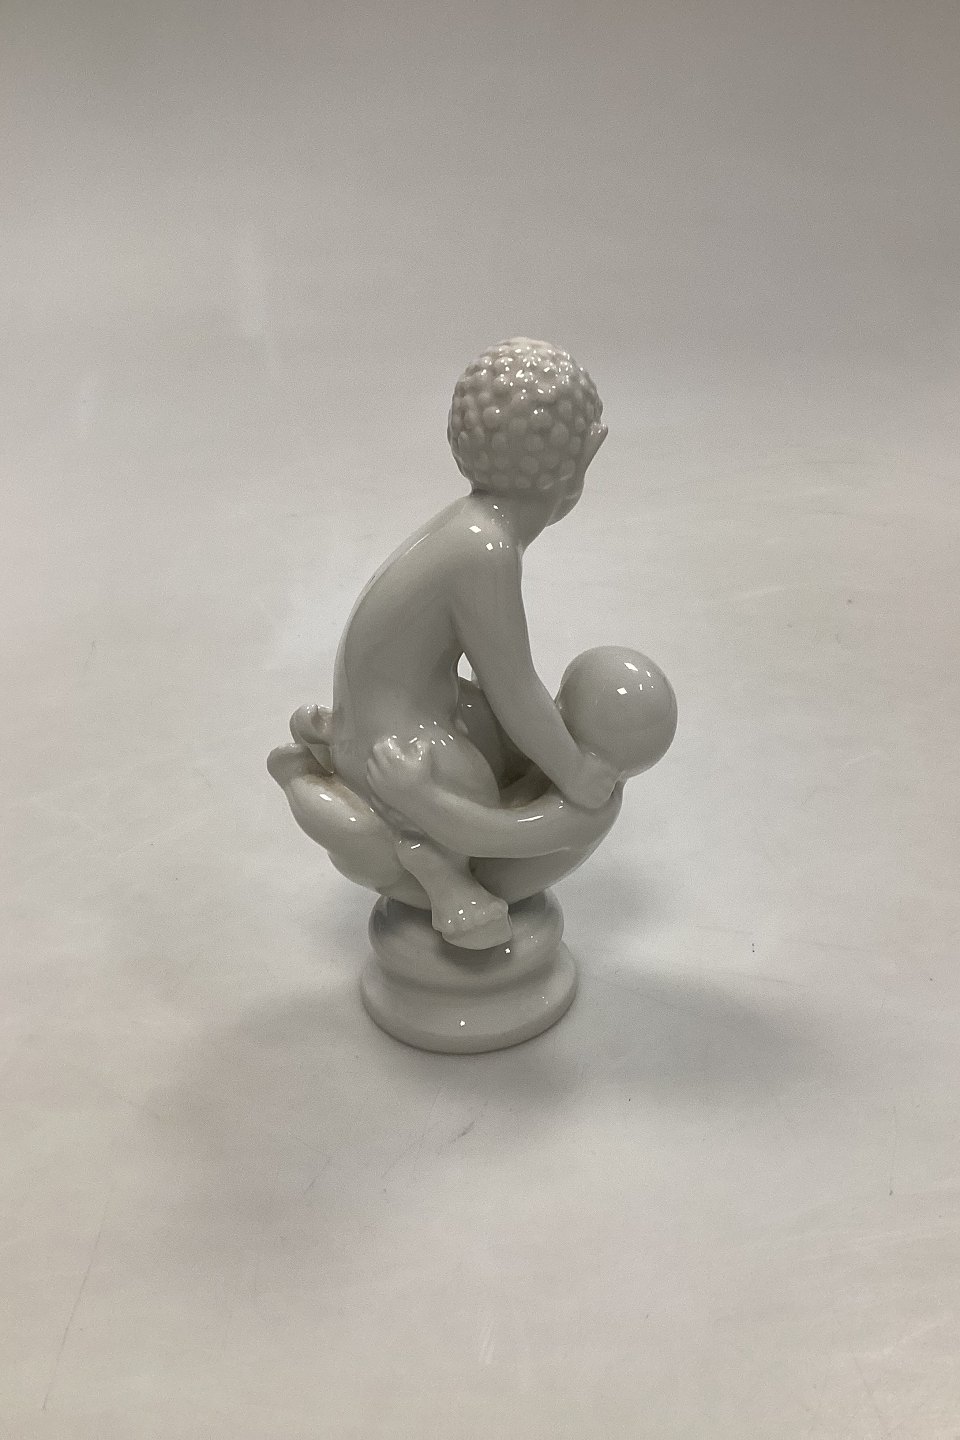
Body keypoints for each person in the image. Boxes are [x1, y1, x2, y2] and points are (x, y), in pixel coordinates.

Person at [327, 338, 617, 949]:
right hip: (392, 748)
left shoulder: (472, 527)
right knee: (482, 771)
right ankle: (437, 866)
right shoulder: (483, 551)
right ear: (586, 455)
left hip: (393, 712)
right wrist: (574, 772)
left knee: (500, 734)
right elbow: (514, 685)